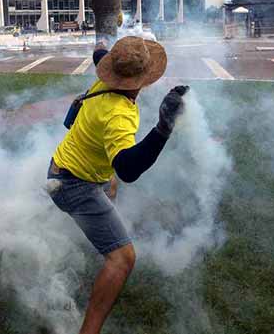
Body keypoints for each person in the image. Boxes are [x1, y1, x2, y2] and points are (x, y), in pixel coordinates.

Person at [47, 36, 188, 334]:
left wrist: (102, 40)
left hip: (62, 167)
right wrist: (163, 127)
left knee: (110, 185)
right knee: (123, 259)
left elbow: (100, 53)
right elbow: (127, 168)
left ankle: (101, 220)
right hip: (74, 185)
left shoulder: (105, 77)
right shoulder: (119, 113)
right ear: (143, 79)